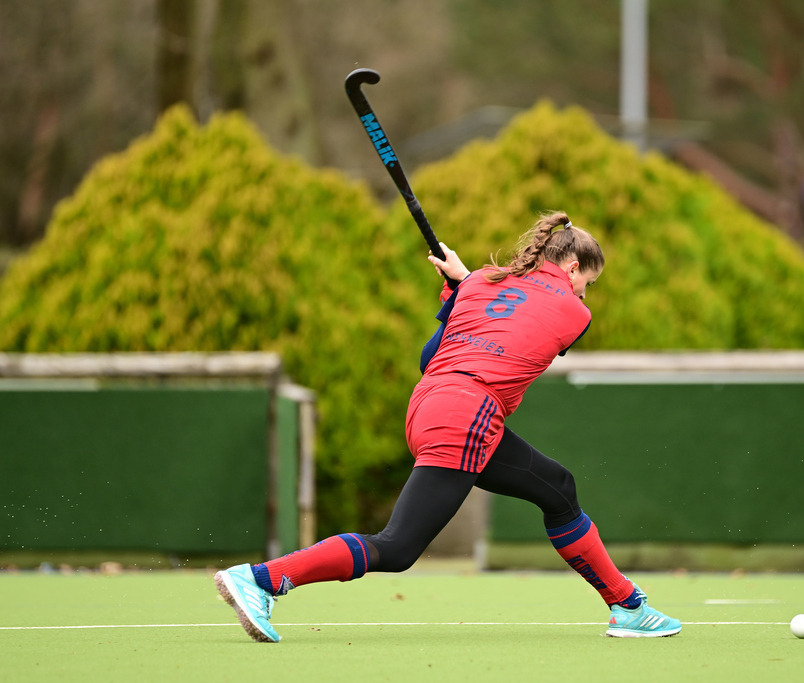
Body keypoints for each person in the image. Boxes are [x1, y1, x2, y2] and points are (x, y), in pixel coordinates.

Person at [214, 211, 681, 642]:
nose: (585, 294)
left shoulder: (481, 283)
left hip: (431, 406)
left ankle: (627, 605)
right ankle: (261, 580)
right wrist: (463, 286)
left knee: (557, 488)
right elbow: (538, 323)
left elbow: (429, 358)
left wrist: (461, 289)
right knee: (396, 549)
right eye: (588, 282)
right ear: (573, 267)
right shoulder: (574, 312)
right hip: (469, 416)